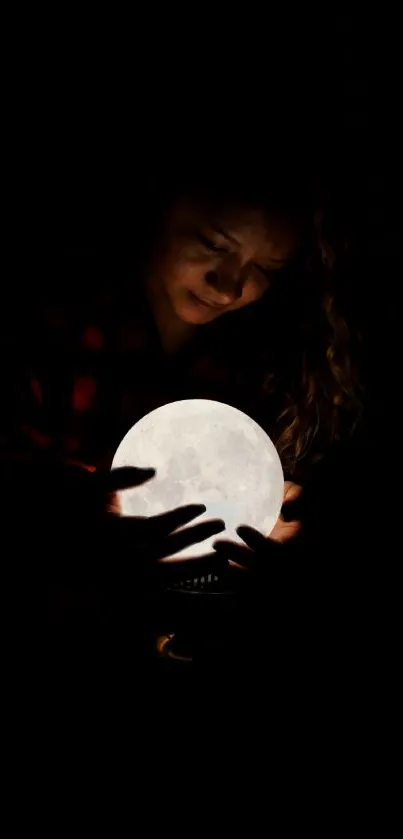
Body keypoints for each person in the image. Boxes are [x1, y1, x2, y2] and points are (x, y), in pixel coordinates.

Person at [1, 160, 362, 599]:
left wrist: (277, 516)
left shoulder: (264, 370)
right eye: (214, 245)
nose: (230, 288)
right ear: (160, 208)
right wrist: (69, 518)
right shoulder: (54, 333)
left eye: (265, 269)